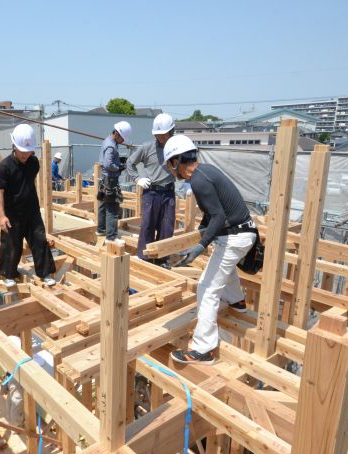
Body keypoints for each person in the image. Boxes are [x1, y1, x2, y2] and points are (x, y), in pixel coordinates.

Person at [163, 135, 256, 365]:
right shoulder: (206, 171)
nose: (171, 171)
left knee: (206, 289)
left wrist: (200, 246)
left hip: (235, 237)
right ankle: (237, 302)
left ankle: (203, 350)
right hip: (244, 233)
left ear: (176, 162)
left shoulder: (198, 181)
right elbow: (214, 210)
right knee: (224, 264)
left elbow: (219, 216)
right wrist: (204, 229)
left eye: (170, 165)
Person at [0, 124, 57, 288]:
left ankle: (45, 273)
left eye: (28, 151)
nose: (25, 154)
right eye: (22, 150)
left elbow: (27, 182)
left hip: (32, 211)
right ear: (14, 145)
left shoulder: (34, 163)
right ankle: (9, 274)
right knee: (11, 245)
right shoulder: (3, 168)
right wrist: (2, 216)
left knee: (40, 240)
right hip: (12, 214)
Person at [126, 113, 176, 266]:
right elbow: (130, 162)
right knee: (148, 225)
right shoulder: (147, 147)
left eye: (163, 134)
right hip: (151, 193)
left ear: (171, 131)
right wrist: (138, 178)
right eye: (158, 134)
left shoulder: (176, 147)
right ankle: (145, 258)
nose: (160, 137)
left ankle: (162, 258)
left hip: (169, 192)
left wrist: (188, 183)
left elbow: (188, 163)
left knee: (166, 227)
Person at [96, 121, 132, 241]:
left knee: (103, 204)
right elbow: (108, 164)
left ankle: (101, 230)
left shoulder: (108, 141)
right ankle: (111, 237)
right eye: (122, 138)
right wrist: (119, 167)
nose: (123, 141)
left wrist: (117, 161)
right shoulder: (111, 146)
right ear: (117, 133)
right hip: (111, 180)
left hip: (104, 179)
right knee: (112, 207)